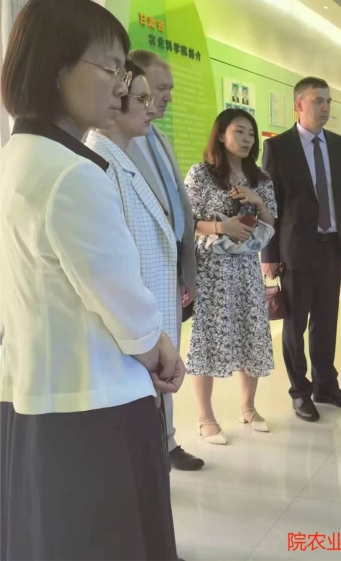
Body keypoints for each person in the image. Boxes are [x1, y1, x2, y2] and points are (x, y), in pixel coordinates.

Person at [0, 0, 182, 559]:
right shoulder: (72, 174)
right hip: (94, 406)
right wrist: (159, 350)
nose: (123, 88)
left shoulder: (17, 157)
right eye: (111, 69)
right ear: (56, 69)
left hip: (33, 393)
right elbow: (120, 301)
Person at [262, 77, 341, 422]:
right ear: (298, 105)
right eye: (318, 101)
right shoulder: (279, 148)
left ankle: (326, 385)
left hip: (331, 247)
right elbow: (270, 205)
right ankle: (300, 392)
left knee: (326, 321)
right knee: (295, 326)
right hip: (295, 252)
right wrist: (269, 255)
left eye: (328, 102)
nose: (325, 108)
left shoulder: (337, 144)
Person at [123, 49, 204, 471]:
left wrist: (186, 270)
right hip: (140, 279)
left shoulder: (159, 138)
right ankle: (153, 447)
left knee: (170, 359)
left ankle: (167, 440)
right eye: (160, 88)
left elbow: (177, 208)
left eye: (169, 88)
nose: (167, 96)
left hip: (169, 271)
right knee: (151, 364)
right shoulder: (114, 145)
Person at [185, 109, 276, 444]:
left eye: (251, 134)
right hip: (212, 270)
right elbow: (186, 221)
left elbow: (272, 220)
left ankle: (248, 408)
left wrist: (257, 202)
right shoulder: (201, 174)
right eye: (239, 131)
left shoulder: (261, 178)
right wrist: (222, 227)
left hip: (247, 268)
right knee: (209, 337)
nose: (247, 139)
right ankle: (206, 418)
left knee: (252, 333)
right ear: (221, 135)